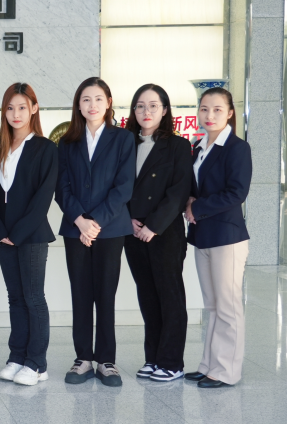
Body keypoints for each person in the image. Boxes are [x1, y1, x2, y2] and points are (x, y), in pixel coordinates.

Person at [55, 77, 135, 387]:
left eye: (98, 99)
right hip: (75, 229)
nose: (92, 105)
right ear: (78, 104)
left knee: (105, 294)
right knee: (80, 294)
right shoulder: (67, 141)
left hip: (110, 229)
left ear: (109, 103)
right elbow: (61, 187)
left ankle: (106, 361)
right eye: (86, 99)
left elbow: (123, 187)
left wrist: (95, 222)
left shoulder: (123, 139)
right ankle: (83, 359)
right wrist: (80, 220)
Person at [0, 83, 58, 387]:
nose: (15, 114)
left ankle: (37, 363)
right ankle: (17, 356)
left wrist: (16, 234)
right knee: (15, 298)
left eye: (21, 107)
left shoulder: (45, 148)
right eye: (10, 108)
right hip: (3, 236)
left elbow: (42, 199)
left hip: (31, 236)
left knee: (33, 298)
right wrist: (1, 231)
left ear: (34, 109)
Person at [123, 84, 193, 382]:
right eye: (140, 105)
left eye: (153, 105)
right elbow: (116, 186)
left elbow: (179, 191)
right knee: (147, 296)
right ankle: (152, 358)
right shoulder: (125, 143)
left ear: (164, 110)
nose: (146, 111)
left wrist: (153, 226)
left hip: (164, 231)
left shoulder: (178, 146)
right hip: (131, 230)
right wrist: (127, 220)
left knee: (170, 296)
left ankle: (171, 362)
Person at [185, 87, 252, 388]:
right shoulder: (199, 147)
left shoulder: (237, 148)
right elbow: (195, 187)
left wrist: (196, 207)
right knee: (212, 305)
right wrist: (189, 201)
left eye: (217, 109)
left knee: (227, 306)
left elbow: (237, 192)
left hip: (227, 237)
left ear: (230, 113)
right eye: (204, 109)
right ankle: (209, 365)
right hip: (203, 235)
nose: (209, 115)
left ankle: (226, 371)